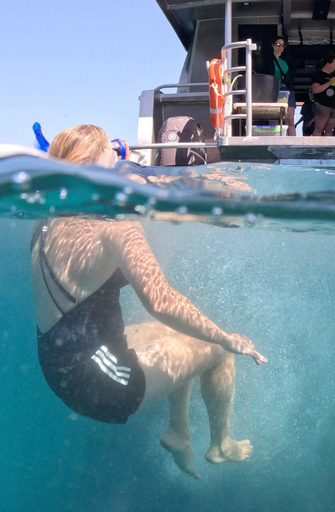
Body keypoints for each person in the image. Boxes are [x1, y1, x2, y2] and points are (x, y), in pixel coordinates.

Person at [33, 125, 266, 479]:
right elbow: (162, 300)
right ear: (101, 168)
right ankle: (221, 445)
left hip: (58, 358)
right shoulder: (114, 223)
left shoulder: (47, 218)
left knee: (174, 334)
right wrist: (223, 337)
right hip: (95, 381)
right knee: (215, 347)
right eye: (118, 162)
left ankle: (179, 433)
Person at [259, 35, 297, 136]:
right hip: (273, 91)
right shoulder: (267, 60)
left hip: (287, 90)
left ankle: (293, 144)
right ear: (272, 45)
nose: (280, 48)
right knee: (274, 120)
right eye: (278, 45)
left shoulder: (287, 61)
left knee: (290, 120)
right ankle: (274, 142)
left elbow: (292, 75)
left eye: (283, 46)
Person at [310, 53, 335, 136]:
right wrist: (329, 82)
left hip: (334, 105)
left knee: (329, 131)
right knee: (319, 129)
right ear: (328, 64)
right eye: (334, 65)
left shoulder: (334, 76)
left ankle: (327, 148)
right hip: (322, 105)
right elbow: (315, 90)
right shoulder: (318, 75)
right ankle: (315, 147)